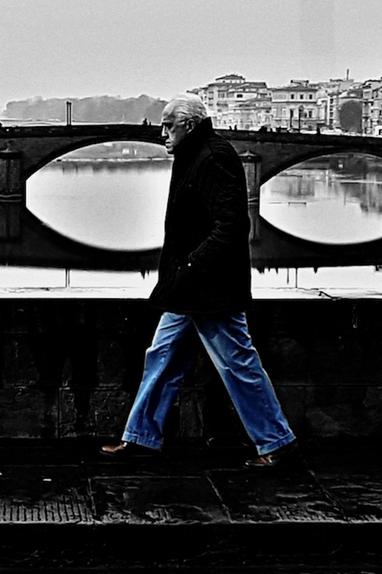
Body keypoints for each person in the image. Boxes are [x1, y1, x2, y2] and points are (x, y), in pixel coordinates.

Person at [101, 96, 297, 469]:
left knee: (237, 362)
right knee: (162, 356)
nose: (162, 134)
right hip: (189, 286)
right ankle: (141, 437)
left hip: (210, 288)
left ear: (189, 126)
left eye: (168, 127)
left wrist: (192, 265)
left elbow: (233, 226)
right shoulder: (196, 154)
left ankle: (277, 442)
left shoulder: (213, 157)